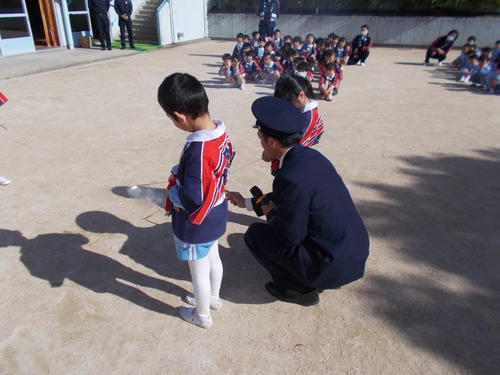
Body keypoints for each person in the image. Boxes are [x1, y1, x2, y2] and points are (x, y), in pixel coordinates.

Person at [227, 97, 369, 306]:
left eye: (261, 138)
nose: (260, 142)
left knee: (255, 235)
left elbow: (290, 237)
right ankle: (314, 275)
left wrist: (271, 214)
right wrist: (246, 203)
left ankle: (299, 290)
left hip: (331, 264)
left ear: (273, 142)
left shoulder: (289, 178)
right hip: (352, 253)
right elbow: (292, 197)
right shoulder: (312, 157)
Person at [157, 73, 235, 328]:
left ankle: (202, 316)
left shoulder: (198, 149)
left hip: (198, 221)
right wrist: (183, 172)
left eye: (170, 118)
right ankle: (213, 298)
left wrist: (173, 192)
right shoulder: (220, 133)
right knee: (213, 257)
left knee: (197, 269)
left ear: (179, 116)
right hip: (217, 210)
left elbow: (194, 197)